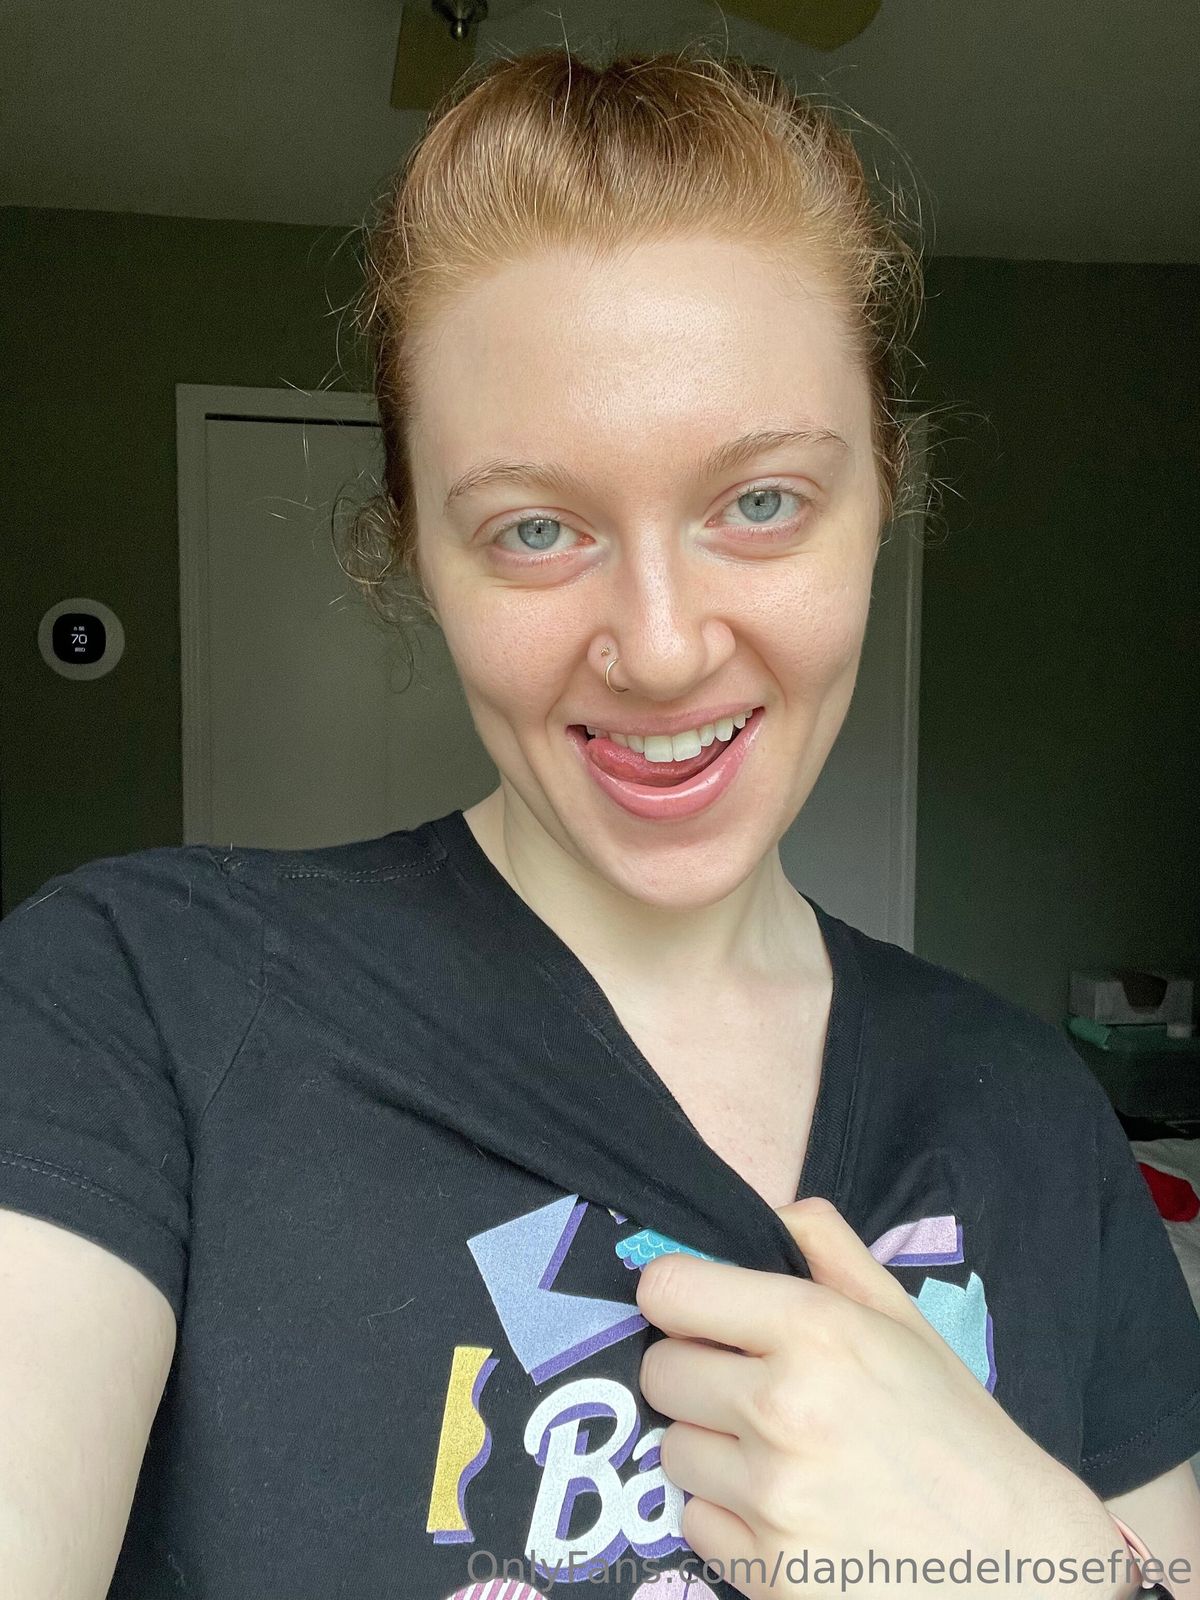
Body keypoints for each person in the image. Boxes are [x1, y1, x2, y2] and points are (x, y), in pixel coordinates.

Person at [1, 43, 1198, 1600]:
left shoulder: (1032, 1111)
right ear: (416, 552)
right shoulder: (135, 1005)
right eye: (536, 528)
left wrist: (1040, 1579)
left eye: (760, 502)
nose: (662, 646)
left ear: (882, 491)